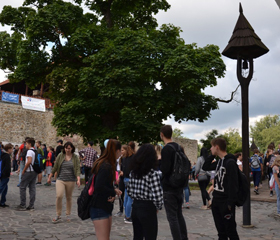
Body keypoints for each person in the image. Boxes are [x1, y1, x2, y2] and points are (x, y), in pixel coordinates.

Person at [202, 138, 239, 240]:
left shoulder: (230, 162)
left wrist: (230, 203)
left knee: (231, 232)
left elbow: (233, 185)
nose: (210, 148)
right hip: (216, 201)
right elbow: (205, 166)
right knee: (221, 232)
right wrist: (212, 155)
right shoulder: (219, 162)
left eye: (212, 147)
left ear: (217, 147)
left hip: (225, 202)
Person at [127, 144, 163, 240]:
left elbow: (129, 191)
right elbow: (158, 194)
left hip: (135, 206)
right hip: (148, 207)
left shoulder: (133, 173)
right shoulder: (152, 174)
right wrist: (158, 206)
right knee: (150, 236)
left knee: (137, 236)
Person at [160, 125, 188, 240]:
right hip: (179, 185)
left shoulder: (166, 149)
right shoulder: (178, 147)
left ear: (162, 134)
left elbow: (165, 169)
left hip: (169, 186)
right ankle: (184, 237)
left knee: (172, 217)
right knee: (179, 215)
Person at [90, 139, 122, 240]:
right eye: (120, 151)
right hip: (99, 206)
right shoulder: (105, 165)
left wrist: (112, 192)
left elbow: (104, 185)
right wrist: (113, 191)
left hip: (105, 206)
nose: (121, 153)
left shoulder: (107, 164)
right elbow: (99, 186)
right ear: (116, 151)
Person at [47, 142, 81, 223]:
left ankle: (68, 214)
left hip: (71, 180)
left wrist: (78, 179)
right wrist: (49, 177)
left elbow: (77, 169)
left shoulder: (75, 157)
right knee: (59, 196)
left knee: (69, 197)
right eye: (66, 148)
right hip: (60, 179)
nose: (67, 150)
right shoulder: (60, 155)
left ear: (72, 148)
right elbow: (55, 167)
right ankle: (58, 214)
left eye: (69, 148)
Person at [16, 138, 38, 211]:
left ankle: (23, 205)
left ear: (29, 144)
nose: (25, 145)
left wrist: (24, 170)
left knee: (22, 187)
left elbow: (29, 161)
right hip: (34, 171)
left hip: (29, 171)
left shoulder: (29, 152)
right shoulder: (35, 151)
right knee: (32, 188)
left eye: (26, 144)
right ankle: (31, 205)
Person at [121, 144, 135, 223]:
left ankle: (126, 214)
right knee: (130, 198)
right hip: (130, 178)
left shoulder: (124, 159)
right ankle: (128, 216)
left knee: (126, 197)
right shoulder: (132, 158)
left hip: (125, 178)